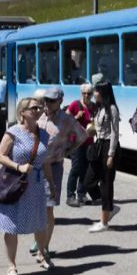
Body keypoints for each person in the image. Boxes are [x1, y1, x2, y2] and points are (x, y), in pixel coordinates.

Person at [0, 97, 56, 275]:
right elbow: (0, 156)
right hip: (16, 184)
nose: (38, 110)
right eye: (34, 108)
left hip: (36, 186)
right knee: (11, 225)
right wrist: (18, 167)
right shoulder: (13, 132)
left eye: (40, 108)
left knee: (40, 222)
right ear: (22, 112)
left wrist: (52, 185)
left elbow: (45, 162)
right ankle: (11, 266)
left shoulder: (44, 134)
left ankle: (42, 254)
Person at [35, 85, 87, 255]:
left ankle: (45, 245)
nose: (47, 103)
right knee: (37, 206)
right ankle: (38, 239)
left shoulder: (67, 120)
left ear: (60, 101)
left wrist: (68, 151)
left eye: (51, 100)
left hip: (54, 167)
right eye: (46, 100)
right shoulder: (38, 114)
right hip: (35, 167)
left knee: (48, 207)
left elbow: (82, 136)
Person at [84, 80, 120, 233]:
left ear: (103, 93)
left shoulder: (112, 109)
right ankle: (109, 206)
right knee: (88, 182)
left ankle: (104, 221)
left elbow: (114, 133)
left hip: (108, 147)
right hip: (98, 145)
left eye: (97, 91)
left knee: (106, 184)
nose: (94, 94)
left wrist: (111, 154)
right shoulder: (99, 108)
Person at [65, 83, 96, 206]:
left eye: (89, 93)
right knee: (76, 168)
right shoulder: (75, 104)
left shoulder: (93, 107)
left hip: (88, 141)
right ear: (81, 94)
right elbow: (65, 120)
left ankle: (81, 194)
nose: (86, 96)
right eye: (84, 93)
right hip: (75, 141)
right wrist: (76, 117)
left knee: (86, 169)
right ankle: (70, 195)